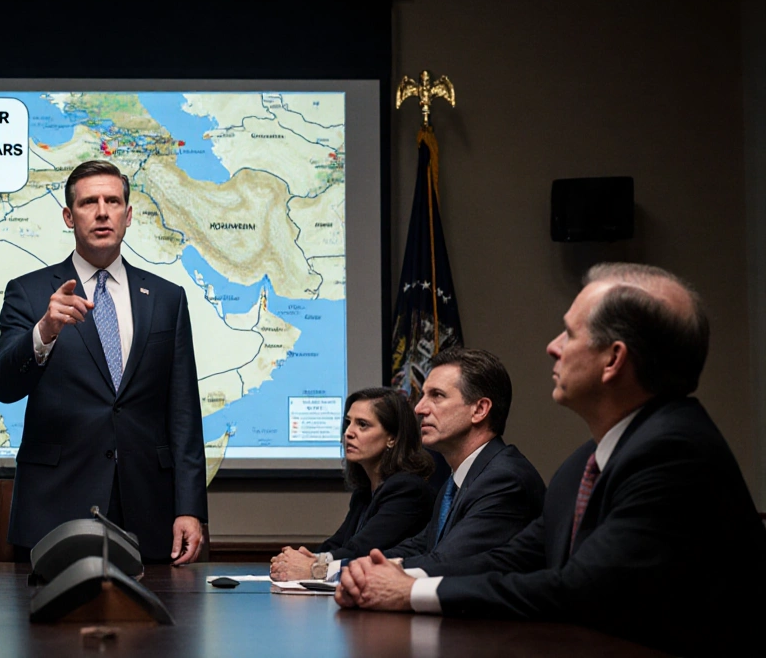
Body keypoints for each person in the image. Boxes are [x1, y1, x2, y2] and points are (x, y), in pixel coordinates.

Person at [336, 263, 766, 657]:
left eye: (570, 334)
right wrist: (394, 577)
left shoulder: (675, 453)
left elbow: (580, 589)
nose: (552, 347)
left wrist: (409, 594)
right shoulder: (586, 462)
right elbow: (509, 558)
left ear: (613, 359)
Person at [0, 160, 208, 563]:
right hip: (55, 507)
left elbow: (184, 414)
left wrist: (190, 508)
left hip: (148, 508)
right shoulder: (30, 293)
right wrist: (44, 332)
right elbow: (2, 386)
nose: (103, 211)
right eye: (89, 202)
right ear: (69, 217)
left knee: (156, 626)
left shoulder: (166, 298)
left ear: (128, 215)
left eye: (113, 201)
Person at [366, 348, 545, 571]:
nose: (419, 408)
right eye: (422, 396)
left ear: (479, 410)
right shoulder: (457, 482)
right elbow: (421, 547)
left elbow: (447, 562)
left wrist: (359, 572)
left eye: (437, 396)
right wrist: (338, 568)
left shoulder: (505, 480)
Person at [270, 387, 435, 581]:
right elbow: (337, 544)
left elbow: (361, 549)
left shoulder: (408, 490)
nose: (348, 433)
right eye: (348, 423)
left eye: (362, 425)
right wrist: (301, 559)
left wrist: (312, 565)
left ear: (393, 438)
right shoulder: (364, 493)